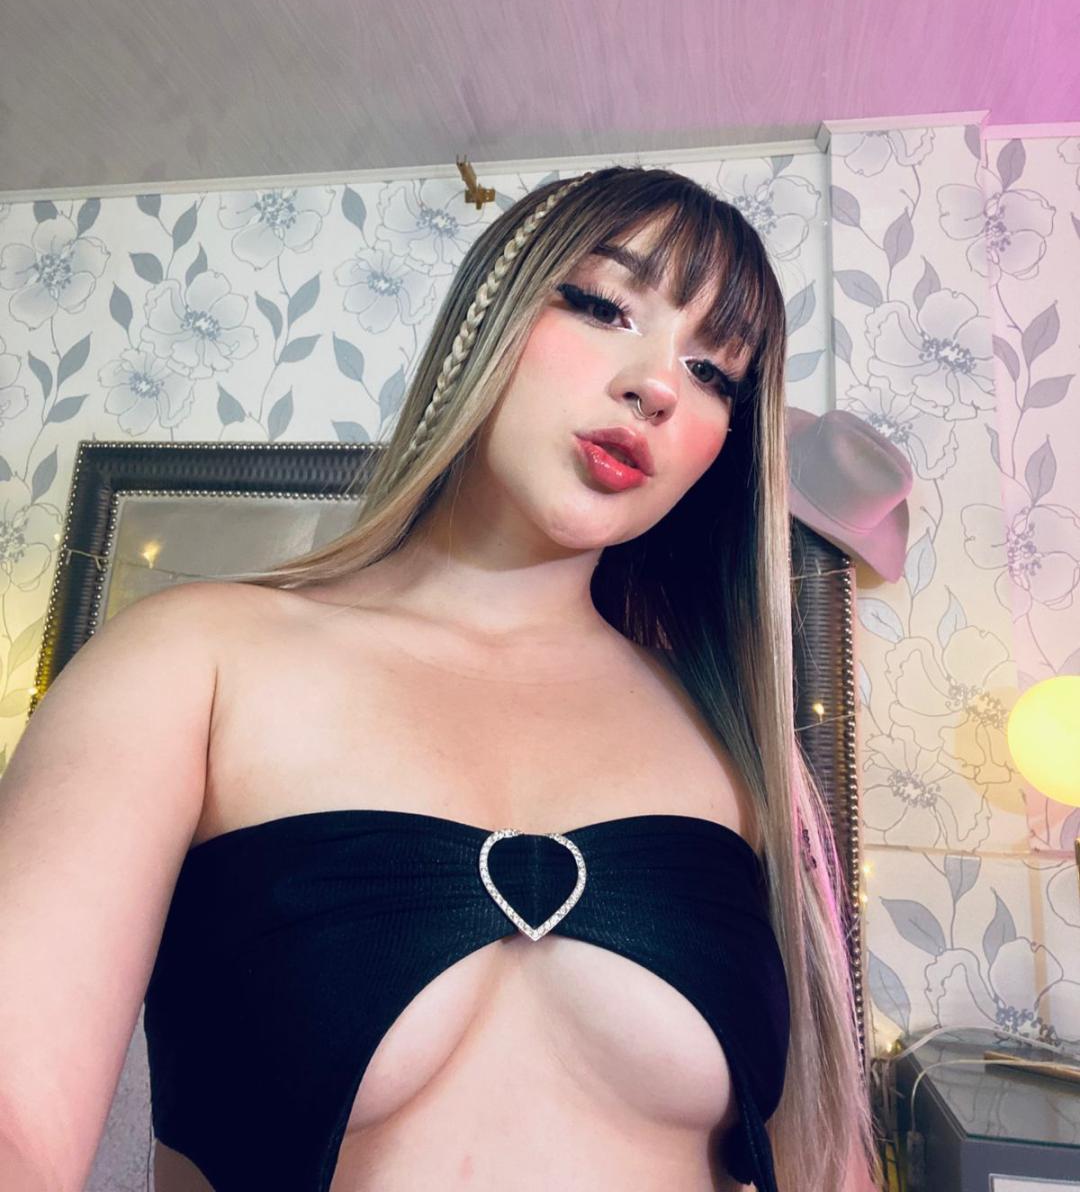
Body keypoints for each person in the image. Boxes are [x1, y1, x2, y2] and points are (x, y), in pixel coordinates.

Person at [0, 165, 880, 1192]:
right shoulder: (190, 663)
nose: (658, 386)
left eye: (714, 373)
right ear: (487, 319)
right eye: (605, 305)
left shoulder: (738, 748)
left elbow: (827, 1163)